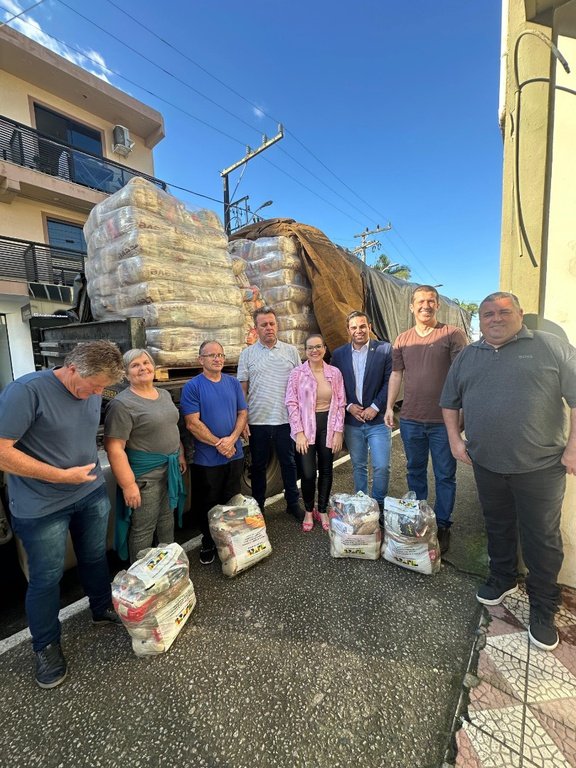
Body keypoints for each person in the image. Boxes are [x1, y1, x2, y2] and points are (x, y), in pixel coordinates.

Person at [441, 292, 576, 651]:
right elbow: (449, 402)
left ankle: (544, 605)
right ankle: (502, 577)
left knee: (541, 538)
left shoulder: (550, 346)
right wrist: (456, 442)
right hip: (487, 464)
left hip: (541, 467)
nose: (496, 319)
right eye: (488, 314)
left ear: (520, 314)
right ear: (479, 320)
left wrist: (574, 447)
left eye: (504, 312)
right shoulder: (470, 355)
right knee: (497, 524)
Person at [0, 341, 125, 689]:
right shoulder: (26, 392)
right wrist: (61, 476)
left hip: (89, 493)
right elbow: (1, 452)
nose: (98, 393)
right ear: (72, 368)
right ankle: (46, 646)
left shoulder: (92, 389)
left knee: (95, 556)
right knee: (46, 578)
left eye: (103, 388)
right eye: (94, 385)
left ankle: (101, 608)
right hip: (41, 506)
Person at [384, 285, 468, 553]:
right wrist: (389, 408)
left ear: (437, 305)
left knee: (445, 475)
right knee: (415, 470)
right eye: (420, 301)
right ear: (412, 307)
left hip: (444, 422)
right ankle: (420, 520)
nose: (425, 305)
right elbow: (396, 374)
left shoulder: (453, 335)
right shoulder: (402, 340)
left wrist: (463, 412)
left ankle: (443, 525)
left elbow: (462, 376)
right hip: (410, 419)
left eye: (430, 301)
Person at [104, 349, 187, 564]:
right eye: (135, 365)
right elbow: (114, 448)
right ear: (125, 373)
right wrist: (128, 484)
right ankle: (141, 579)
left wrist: (180, 454)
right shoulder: (122, 404)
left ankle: (170, 568)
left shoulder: (164, 395)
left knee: (166, 520)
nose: (143, 368)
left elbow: (172, 426)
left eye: (146, 362)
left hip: (169, 470)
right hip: (145, 477)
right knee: (143, 528)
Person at [181, 340, 248, 565]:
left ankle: (230, 543)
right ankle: (208, 542)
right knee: (207, 503)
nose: (218, 359)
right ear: (201, 360)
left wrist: (232, 439)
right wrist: (219, 443)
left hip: (234, 454)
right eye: (212, 355)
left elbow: (242, 413)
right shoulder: (193, 386)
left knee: (231, 500)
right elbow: (192, 423)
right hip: (207, 459)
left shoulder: (232, 383)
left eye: (220, 355)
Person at [237, 306, 303, 521]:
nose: (268, 328)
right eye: (263, 324)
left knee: (289, 463)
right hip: (258, 421)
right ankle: (259, 507)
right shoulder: (247, 355)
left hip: (286, 420)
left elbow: (300, 386)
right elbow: (242, 391)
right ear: (256, 329)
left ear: (277, 325)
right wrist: (242, 420)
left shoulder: (291, 352)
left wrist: (301, 418)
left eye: (272, 323)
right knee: (258, 466)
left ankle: (292, 503)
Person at [331, 311, 393, 509]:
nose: (359, 331)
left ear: (369, 326)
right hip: (353, 422)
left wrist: (375, 407)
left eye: (362, 326)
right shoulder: (339, 354)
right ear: (348, 330)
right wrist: (348, 406)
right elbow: (335, 385)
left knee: (381, 466)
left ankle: (379, 505)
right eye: (354, 327)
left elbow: (390, 381)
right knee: (359, 466)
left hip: (378, 421)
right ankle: (362, 505)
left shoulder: (384, 349)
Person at [285, 334, 346, 532]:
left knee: (327, 470)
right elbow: (291, 403)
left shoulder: (335, 373)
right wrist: (299, 432)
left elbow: (340, 403)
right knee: (309, 473)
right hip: (306, 428)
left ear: (324, 349)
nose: (314, 351)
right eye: (310, 348)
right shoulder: (297, 374)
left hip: (327, 425)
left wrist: (338, 432)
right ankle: (309, 510)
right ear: (305, 351)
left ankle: (322, 509)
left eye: (318, 346)